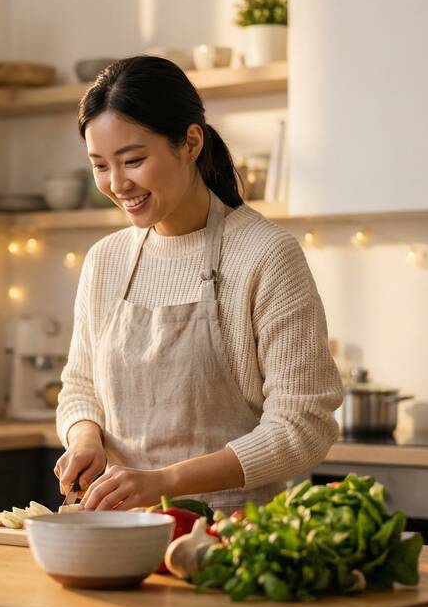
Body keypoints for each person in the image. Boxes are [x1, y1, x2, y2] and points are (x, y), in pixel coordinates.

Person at [54, 55, 342, 514]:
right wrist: (85, 436)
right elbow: (80, 386)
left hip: (233, 537)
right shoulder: (106, 260)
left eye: (133, 160)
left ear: (190, 142)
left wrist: (167, 482)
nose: (117, 183)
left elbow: (302, 425)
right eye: (100, 165)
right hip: (118, 532)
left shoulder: (265, 254)